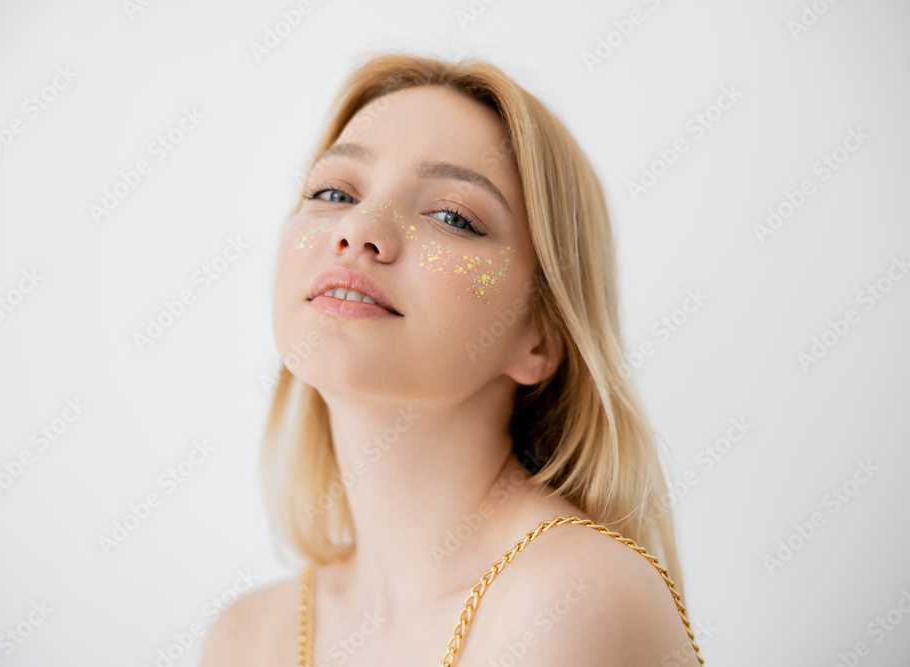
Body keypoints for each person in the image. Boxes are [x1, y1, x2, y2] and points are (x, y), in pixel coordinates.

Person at [200, 52, 704, 666]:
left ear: (540, 337)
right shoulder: (247, 637)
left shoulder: (572, 601)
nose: (360, 229)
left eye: (452, 217)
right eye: (334, 191)